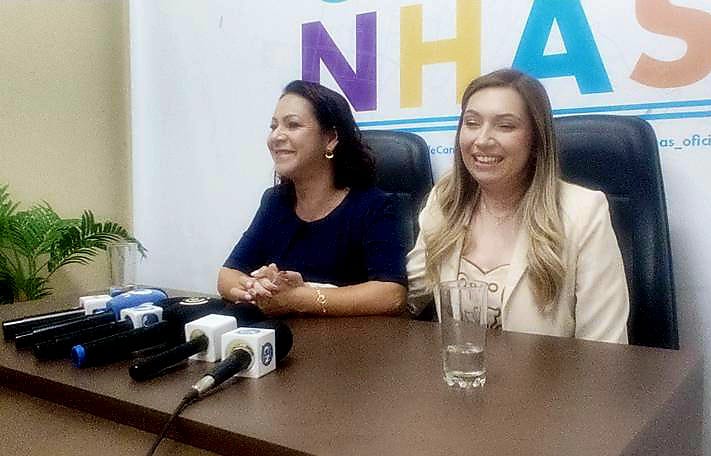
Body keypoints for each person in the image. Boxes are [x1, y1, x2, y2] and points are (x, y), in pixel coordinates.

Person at [406, 69, 629, 343]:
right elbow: (409, 295)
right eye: (472, 123)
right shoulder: (446, 200)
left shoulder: (584, 211)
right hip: (461, 369)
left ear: (535, 139)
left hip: (550, 372)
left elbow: (605, 346)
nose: (482, 140)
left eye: (505, 126)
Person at [218, 80, 408, 316]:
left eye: (293, 125)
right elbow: (227, 275)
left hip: (351, 337)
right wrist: (257, 288)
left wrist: (298, 298)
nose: (276, 136)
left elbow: (392, 294)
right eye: (273, 126)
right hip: (281, 334)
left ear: (330, 139)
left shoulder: (374, 206)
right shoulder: (275, 201)